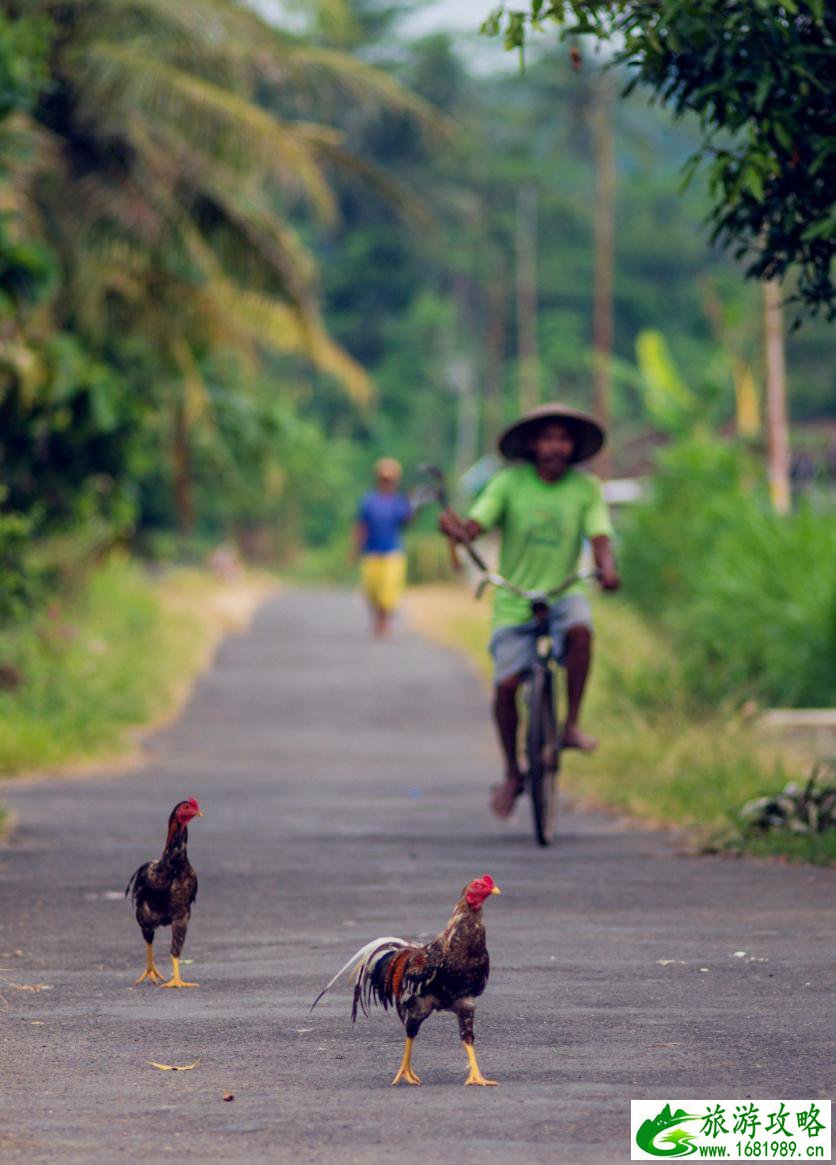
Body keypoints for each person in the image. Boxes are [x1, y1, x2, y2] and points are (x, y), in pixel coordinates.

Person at [439, 404, 620, 818]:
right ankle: (512, 772)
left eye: (563, 438)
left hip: (564, 591)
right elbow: (478, 523)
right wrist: (460, 531)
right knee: (505, 687)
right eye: (547, 438)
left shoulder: (586, 488)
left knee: (581, 629)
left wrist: (608, 569)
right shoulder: (509, 483)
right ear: (533, 444)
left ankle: (570, 725)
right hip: (514, 598)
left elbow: (600, 536)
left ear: (573, 446)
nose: (556, 447)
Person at [355, 457, 412, 638]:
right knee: (372, 591)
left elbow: (406, 523)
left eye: (390, 479)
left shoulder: (398, 502)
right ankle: (377, 619)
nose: (387, 482)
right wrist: (356, 549)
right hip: (372, 552)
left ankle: (384, 621)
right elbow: (361, 526)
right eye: (384, 479)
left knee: (388, 591)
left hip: (392, 552)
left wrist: (412, 507)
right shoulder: (369, 500)